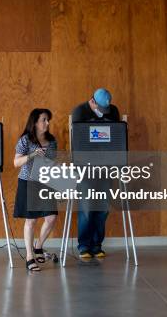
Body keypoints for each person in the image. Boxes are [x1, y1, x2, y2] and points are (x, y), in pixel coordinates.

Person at [71, 88, 120, 259]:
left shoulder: (113, 111)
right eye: (100, 108)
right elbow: (78, 143)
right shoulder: (80, 112)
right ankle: (84, 245)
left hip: (106, 167)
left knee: (103, 207)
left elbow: (116, 138)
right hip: (85, 168)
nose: (103, 112)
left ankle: (97, 244)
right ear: (92, 101)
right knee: (86, 207)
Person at [13, 108, 58, 271]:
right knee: (31, 221)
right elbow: (16, 163)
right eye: (44, 120)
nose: (47, 123)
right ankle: (30, 256)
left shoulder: (52, 141)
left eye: (48, 120)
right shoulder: (25, 140)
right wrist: (33, 155)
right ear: (35, 122)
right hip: (27, 182)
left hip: (45, 182)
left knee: (51, 217)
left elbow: (53, 163)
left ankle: (38, 246)